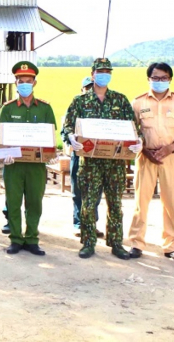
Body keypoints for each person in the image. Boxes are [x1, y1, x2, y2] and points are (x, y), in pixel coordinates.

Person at [63, 58, 142, 260]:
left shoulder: (120, 100)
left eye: (107, 71)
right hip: (89, 162)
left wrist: (137, 140)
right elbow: (69, 125)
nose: (104, 75)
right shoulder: (80, 101)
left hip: (115, 163)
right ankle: (88, 242)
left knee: (115, 203)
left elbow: (133, 127)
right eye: (100, 71)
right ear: (92, 75)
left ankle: (116, 243)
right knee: (88, 204)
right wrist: (71, 137)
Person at [128, 63, 174, 262]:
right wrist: (144, 149)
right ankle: (136, 243)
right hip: (145, 157)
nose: (160, 81)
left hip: (172, 157)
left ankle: (171, 245)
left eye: (164, 78)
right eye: (156, 78)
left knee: (170, 203)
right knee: (141, 201)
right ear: (148, 79)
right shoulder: (138, 102)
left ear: (170, 79)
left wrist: (168, 148)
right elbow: (132, 131)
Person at [0, 61, 55, 255]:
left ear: (34, 83)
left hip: (36, 165)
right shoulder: (8, 108)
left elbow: (50, 136)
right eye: (20, 80)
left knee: (34, 203)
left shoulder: (45, 108)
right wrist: (4, 155)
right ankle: (15, 239)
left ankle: (32, 239)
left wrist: (50, 154)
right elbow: (2, 138)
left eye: (28, 80)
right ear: (15, 83)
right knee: (13, 202)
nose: (24, 84)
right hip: (13, 165)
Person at [64, 76, 104, 238]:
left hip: (98, 157)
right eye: (86, 88)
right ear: (82, 90)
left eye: (92, 87)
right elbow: (65, 129)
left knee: (96, 191)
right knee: (78, 191)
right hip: (79, 155)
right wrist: (71, 139)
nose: (89, 90)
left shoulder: (103, 108)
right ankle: (79, 223)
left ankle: (92, 223)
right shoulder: (76, 105)